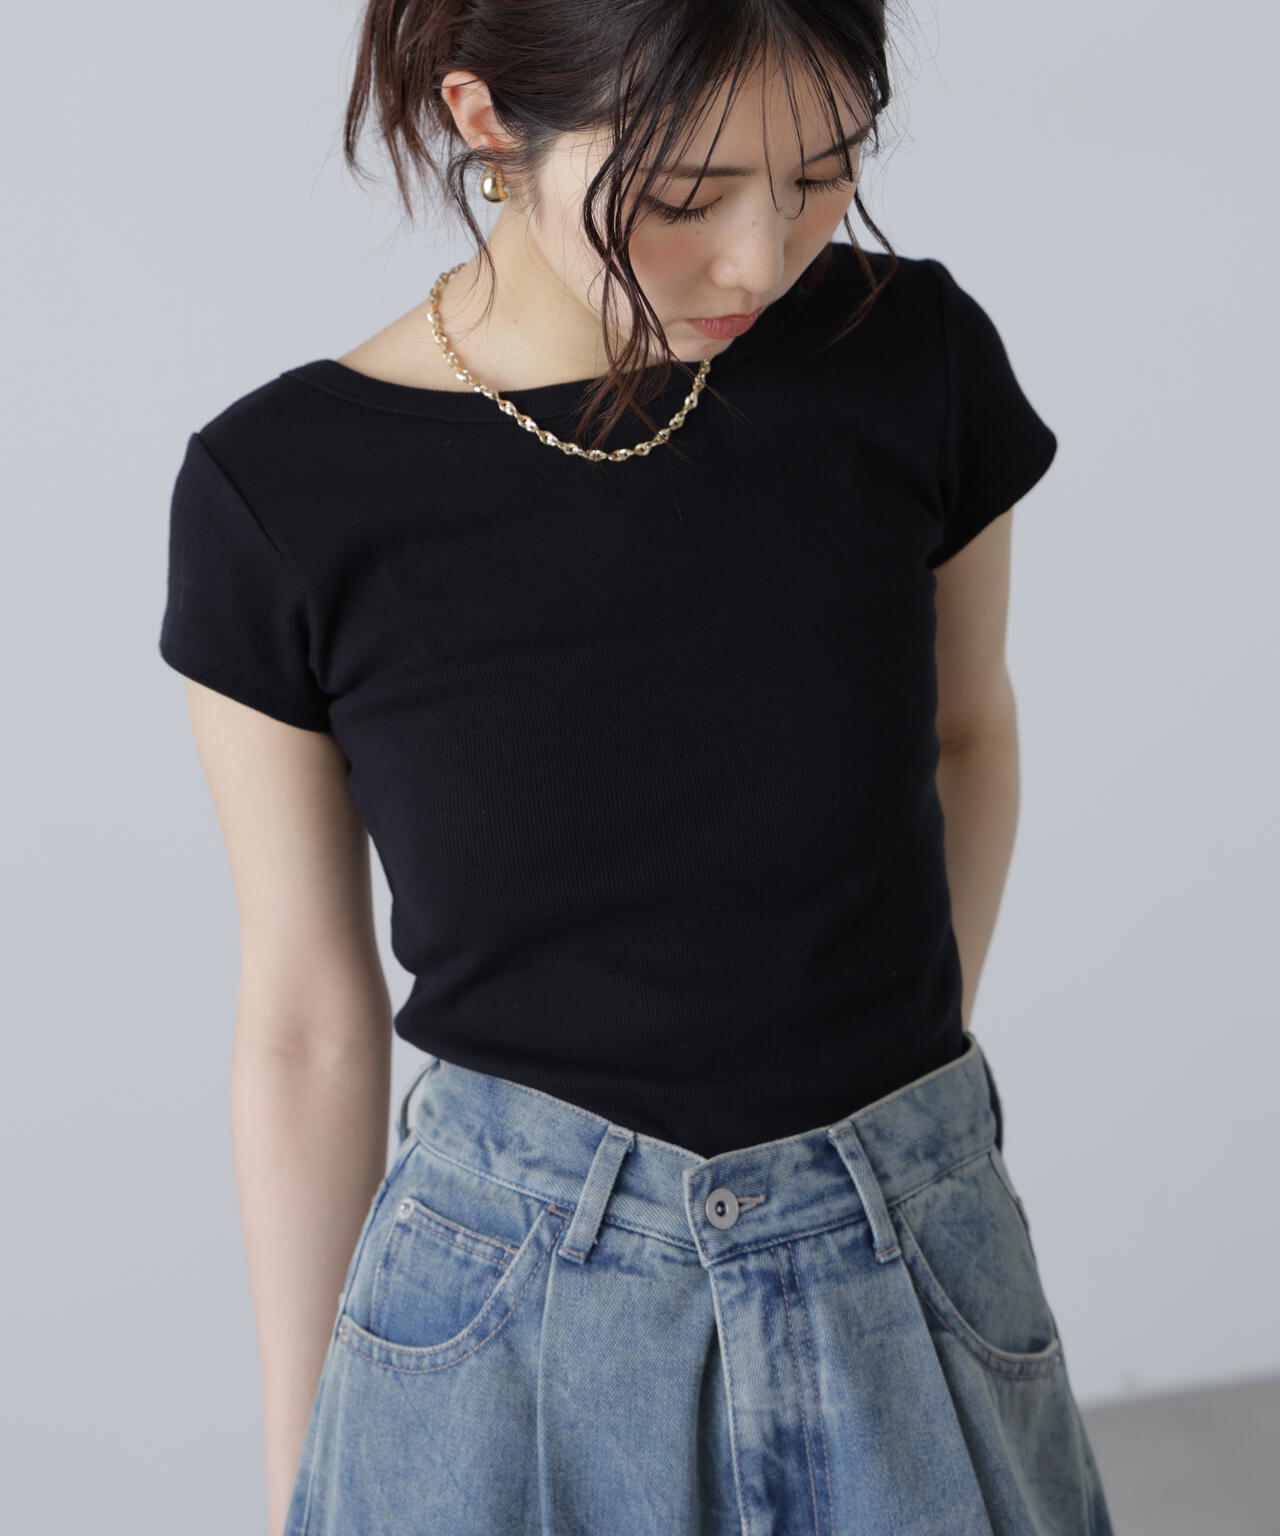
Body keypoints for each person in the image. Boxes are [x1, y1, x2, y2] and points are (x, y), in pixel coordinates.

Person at [157, 2, 1115, 1532]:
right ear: (485, 118)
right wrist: (308, 1455)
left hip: (906, 1258)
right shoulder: (285, 492)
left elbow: (966, 732)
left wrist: (897, 1127)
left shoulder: (908, 355)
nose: (759, 258)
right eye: (683, 196)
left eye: (822, 174)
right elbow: (305, 1023)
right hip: (502, 1316)